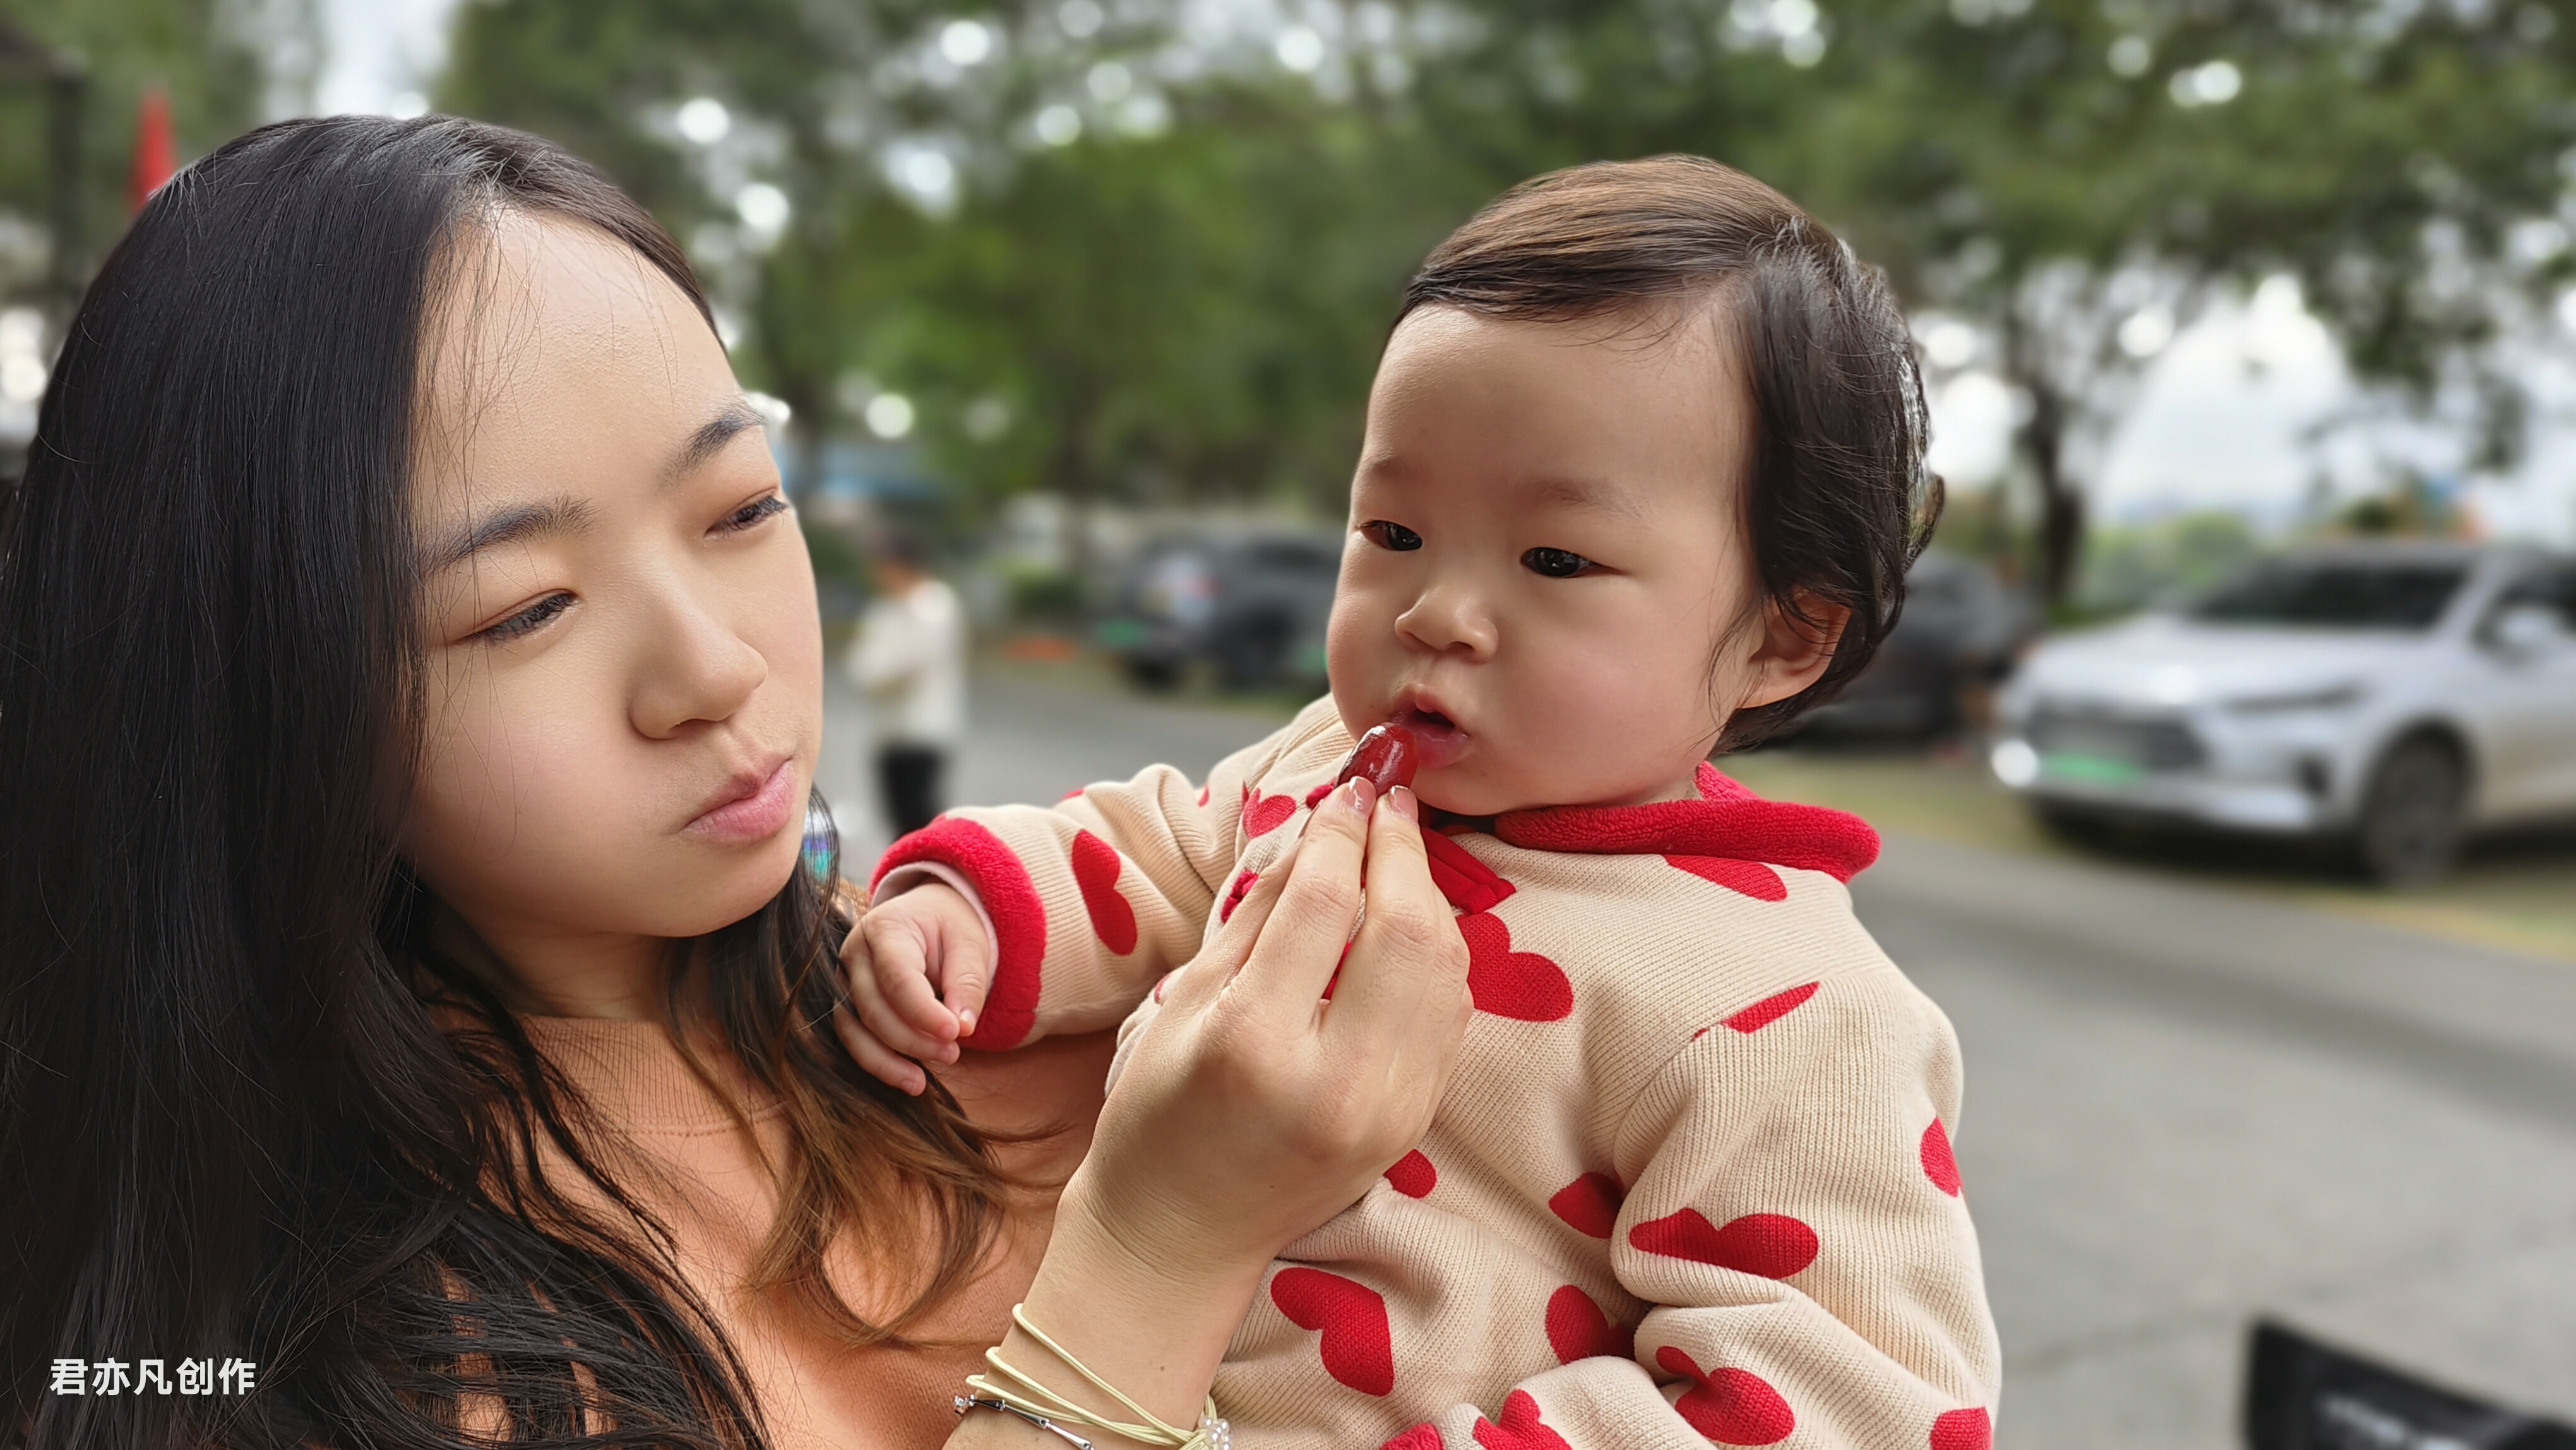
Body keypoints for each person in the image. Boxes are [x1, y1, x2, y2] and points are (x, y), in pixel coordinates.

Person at [0, 115, 1471, 1450]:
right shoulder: (270, 1355)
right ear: (251, 691)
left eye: (740, 507)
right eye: (524, 608)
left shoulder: (1012, 1006)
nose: (713, 669)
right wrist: (1163, 1248)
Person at [842, 157, 2002, 1447]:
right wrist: (973, 913)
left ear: (1786, 637)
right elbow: (1157, 847)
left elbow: (1853, 1391)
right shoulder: (1324, 765)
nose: (1434, 608)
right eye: (1392, 529)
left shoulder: (1787, 1011)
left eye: (1555, 558)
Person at [850, 534, 966, 837]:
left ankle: (928, 878)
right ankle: (902, 880)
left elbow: (908, 662)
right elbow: (861, 667)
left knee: (920, 814)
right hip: (889, 731)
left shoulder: (934, 606)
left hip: (924, 731)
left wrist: (878, 671)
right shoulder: (884, 610)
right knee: (897, 817)